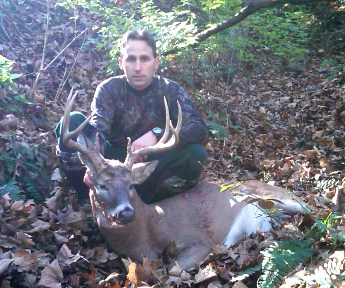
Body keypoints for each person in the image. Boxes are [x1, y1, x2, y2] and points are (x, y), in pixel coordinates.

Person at [55, 30, 209, 204]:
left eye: (144, 59)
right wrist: (94, 163)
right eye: (131, 59)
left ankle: (156, 203)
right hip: (111, 165)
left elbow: (199, 129)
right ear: (121, 63)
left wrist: (156, 134)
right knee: (73, 121)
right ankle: (87, 201)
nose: (137, 67)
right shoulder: (109, 89)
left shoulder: (170, 89)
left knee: (196, 153)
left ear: (156, 63)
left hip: (149, 164)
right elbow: (99, 130)